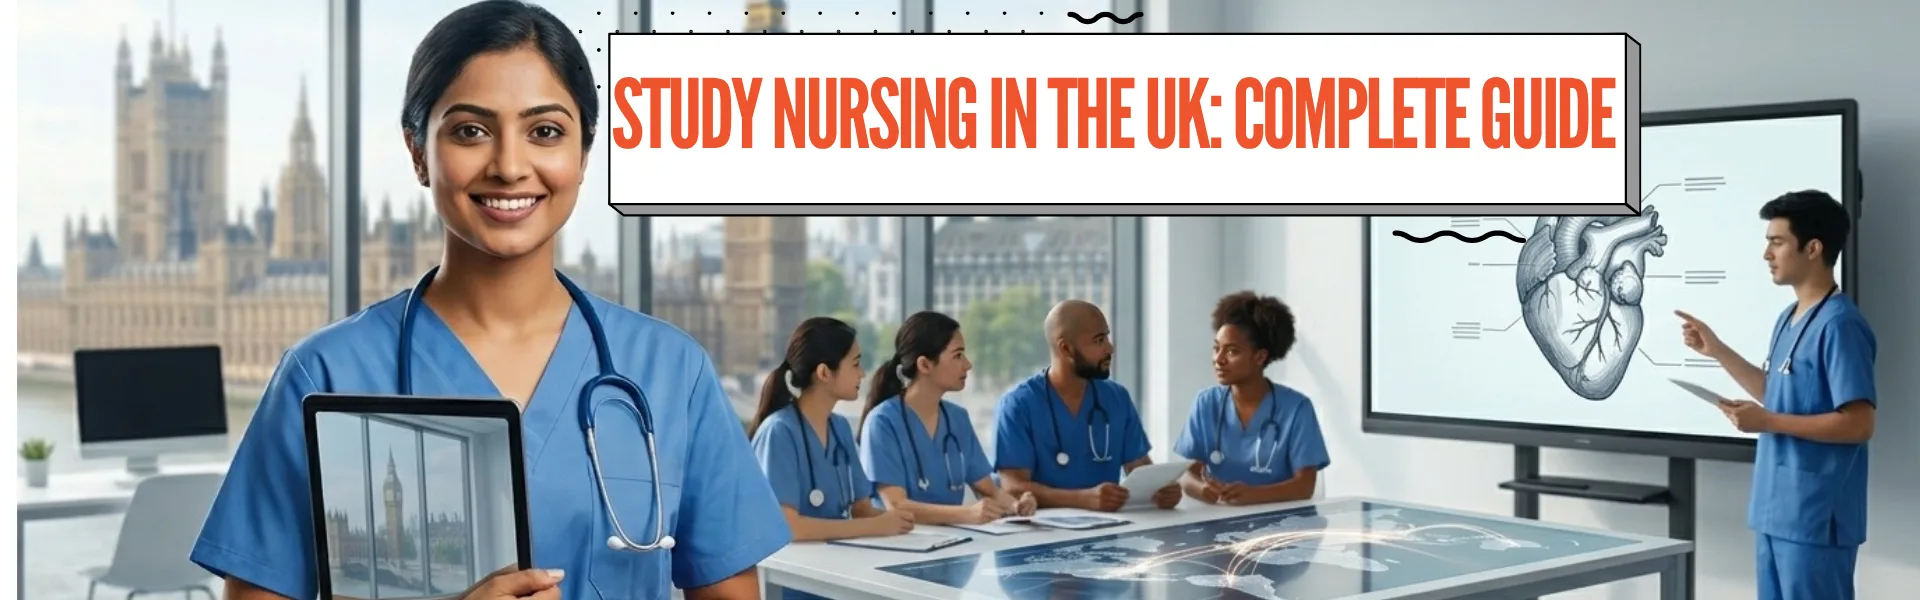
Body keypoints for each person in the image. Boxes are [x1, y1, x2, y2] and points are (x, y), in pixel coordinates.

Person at [187, 3, 790, 599]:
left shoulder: (671, 372)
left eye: (546, 131)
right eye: (470, 131)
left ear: (583, 155)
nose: (508, 165)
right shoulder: (321, 374)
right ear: (419, 152)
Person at [1673, 190, 1875, 600]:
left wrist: (1767, 422)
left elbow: (1859, 423)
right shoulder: (1789, 317)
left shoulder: (1840, 325)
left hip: (1816, 516)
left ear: (1813, 248)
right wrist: (1717, 350)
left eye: (1777, 242)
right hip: (1775, 511)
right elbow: (1778, 392)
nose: (1767, 254)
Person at [993, 300, 1180, 512]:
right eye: (1099, 340)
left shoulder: (1117, 398)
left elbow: (1140, 470)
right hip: (1040, 531)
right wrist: (1082, 499)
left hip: (1110, 529)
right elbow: (1013, 487)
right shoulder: (1018, 405)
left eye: (1107, 337)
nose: (1110, 348)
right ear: (1066, 348)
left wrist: (1162, 490)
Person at [858, 311, 1038, 525]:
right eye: (957, 355)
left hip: (953, 543)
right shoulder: (882, 423)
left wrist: (1016, 505)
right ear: (924, 365)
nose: (968, 365)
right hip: (901, 546)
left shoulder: (957, 418)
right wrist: (967, 514)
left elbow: (990, 491)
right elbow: (897, 505)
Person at [750, 317, 916, 541]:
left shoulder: (840, 428)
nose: (863, 373)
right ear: (824, 373)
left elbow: (862, 510)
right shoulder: (778, 432)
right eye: (856, 364)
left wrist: (901, 523)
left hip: (836, 560)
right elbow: (788, 527)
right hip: (789, 569)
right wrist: (875, 526)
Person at [1174, 291, 1330, 506]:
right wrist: (1202, 489)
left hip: (1281, 526)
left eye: (1231, 351)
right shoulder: (1206, 403)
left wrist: (1253, 495)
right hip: (1220, 524)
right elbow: (1186, 475)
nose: (1218, 359)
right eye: (1216, 348)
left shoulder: (1296, 408)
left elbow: (1304, 486)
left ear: (1259, 356)